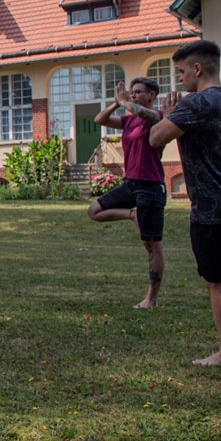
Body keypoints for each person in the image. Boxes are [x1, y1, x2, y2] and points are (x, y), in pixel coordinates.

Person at [149, 39, 221, 367]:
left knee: (216, 280)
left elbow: (156, 138)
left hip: (216, 207)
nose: (180, 79)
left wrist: (169, 114)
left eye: (181, 71)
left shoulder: (196, 104)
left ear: (197, 69)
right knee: (220, 269)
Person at [88, 77, 170, 308]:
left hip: (151, 186)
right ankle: (131, 215)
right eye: (131, 92)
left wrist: (125, 102)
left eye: (138, 92)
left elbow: (148, 115)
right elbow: (99, 119)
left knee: (152, 244)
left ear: (152, 95)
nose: (133, 95)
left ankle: (151, 298)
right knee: (94, 211)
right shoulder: (129, 120)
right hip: (130, 184)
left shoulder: (158, 117)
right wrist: (116, 103)